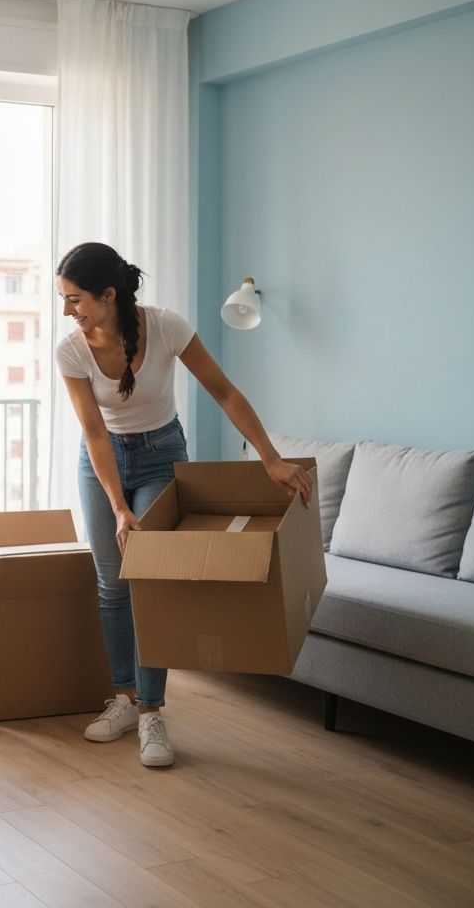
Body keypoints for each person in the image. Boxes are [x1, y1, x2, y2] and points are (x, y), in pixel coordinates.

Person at [55, 242, 312, 767]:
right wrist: (118, 506)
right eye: (63, 299)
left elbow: (225, 392)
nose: (67, 311)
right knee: (112, 582)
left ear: (108, 295)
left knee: (150, 576)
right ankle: (123, 699)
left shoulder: (166, 326)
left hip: (160, 455)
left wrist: (269, 459)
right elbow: (95, 433)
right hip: (101, 461)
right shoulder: (71, 350)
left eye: (75, 299)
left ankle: (152, 713)